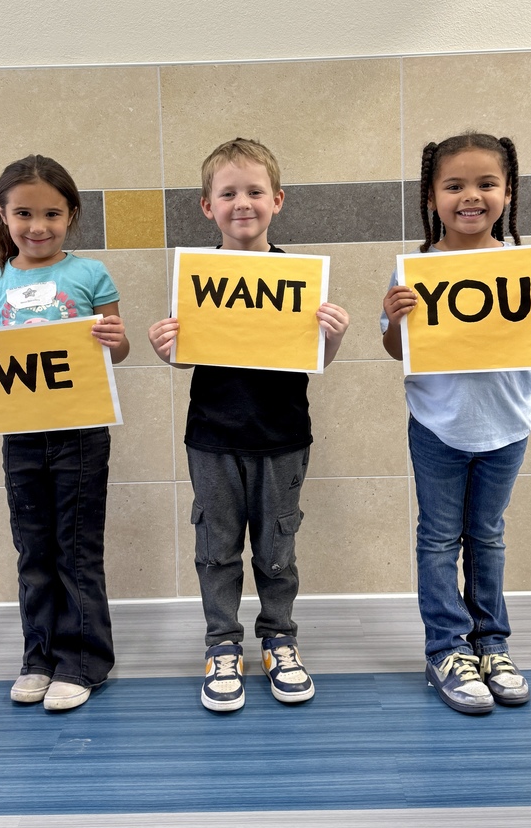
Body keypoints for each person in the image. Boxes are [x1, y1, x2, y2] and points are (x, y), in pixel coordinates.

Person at [381, 132, 531, 715]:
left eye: (486, 184)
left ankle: (491, 644)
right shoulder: (415, 273)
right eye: (454, 185)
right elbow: (398, 351)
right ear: (431, 196)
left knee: (488, 535)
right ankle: (447, 648)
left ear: (508, 192)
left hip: (508, 425)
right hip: (437, 427)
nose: (471, 196)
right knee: (439, 539)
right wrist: (395, 319)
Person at [149, 138, 349, 712]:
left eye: (255, 191)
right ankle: (221, 645)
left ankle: (279, 639)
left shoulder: (298, 278)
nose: (243, 202)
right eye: (228, 193)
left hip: (283, 437)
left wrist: (331, 337)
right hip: (212, 438)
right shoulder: (199, 277)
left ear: (277, 200)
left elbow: (318, 360)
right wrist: (168, 348)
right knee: (217, 547)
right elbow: (187, 357)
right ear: (206, 206)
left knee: (277, 546)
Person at [0, 155, 129, 711]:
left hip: (82, 434)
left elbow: (119, 351)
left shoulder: (90, 274)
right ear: (2, 215)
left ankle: (83, 662)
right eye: (23, 213)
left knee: (77, 550)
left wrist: (115, 337)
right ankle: (39, 657)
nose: (37, 226)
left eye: (51, 214)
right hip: (19, 435)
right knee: (34, 550)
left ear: (71, 216)